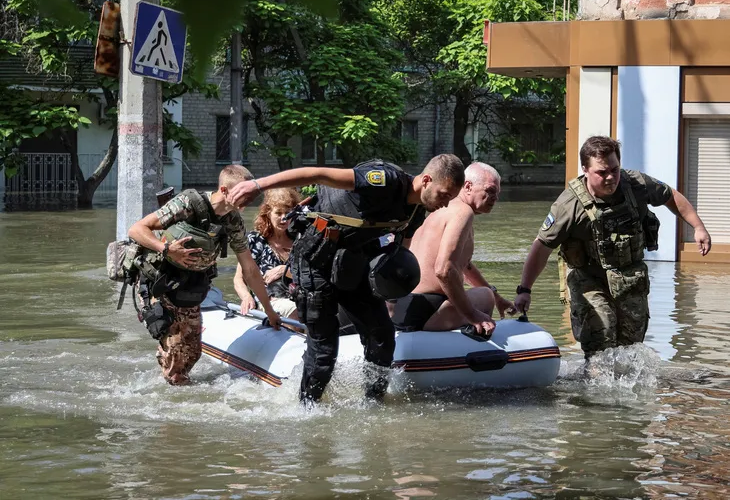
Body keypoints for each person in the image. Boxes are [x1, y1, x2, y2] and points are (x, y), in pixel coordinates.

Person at [227, 155, 465, 404]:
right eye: (444, 194)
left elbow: (397, 253)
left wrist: (391, 290)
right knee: (324, 352)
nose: (446, 204)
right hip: (314, 261)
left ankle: (373, 404)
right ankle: (306, 411)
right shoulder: (383, 181)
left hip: (354, 263)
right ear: (426, 180)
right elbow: (318, 173)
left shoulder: (416, 211)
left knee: (382, 336)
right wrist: (257, 185)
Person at [513, 136, 711, 359]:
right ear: (585, 169)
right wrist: (525, 290)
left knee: (631, 348)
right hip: (589, 279)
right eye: (602, 172)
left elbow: (670, 196)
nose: (610, 177)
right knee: (601, 335)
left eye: (615, 170)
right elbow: (541, 247)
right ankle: (592, 387)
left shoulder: (636, 184)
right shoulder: (569, 206)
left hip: (629, 276)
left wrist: (698, 227)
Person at [128, 165, 282, 385]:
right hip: (159, 282)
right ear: (225, 190)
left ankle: (174, 386)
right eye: (243, 194)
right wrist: (167, 249)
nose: (248, 201)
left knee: (192, 353)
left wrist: (269, 311)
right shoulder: (188, 203)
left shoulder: (232, 221)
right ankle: (171, 407)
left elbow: (250, 269)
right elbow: (137, 229)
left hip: (190, 285)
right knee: (176, 356)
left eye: (250, 195)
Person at [391, 162, 515, 337]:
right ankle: (474, 338)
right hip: (427, 310)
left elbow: (464, 265)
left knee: (488, 293)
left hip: (403, 307)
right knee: (485, 296)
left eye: (497, 193)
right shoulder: (463, 213)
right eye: (490, 190)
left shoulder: (439, 211)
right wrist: (472, 314)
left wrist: (498, 298)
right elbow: (444, 270)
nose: (495, 198)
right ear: (468, 186)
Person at [234, 188, 302, 319]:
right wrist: (246, 296)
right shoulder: (255, 240)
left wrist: (285, 270)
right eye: (278, 213)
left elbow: (311, 275)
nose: (284, 218)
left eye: (288, 213)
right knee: (295, 309)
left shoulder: (300, 240)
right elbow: (239, 279)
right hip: (269, 301)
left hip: (299, 296)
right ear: (268, 214)